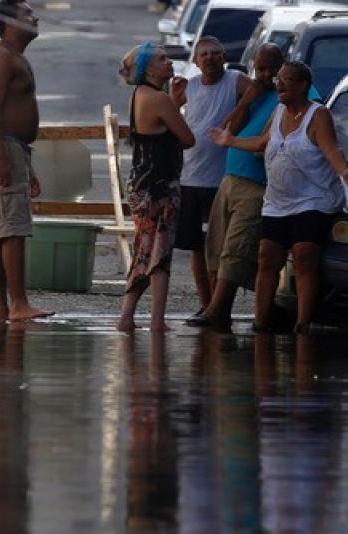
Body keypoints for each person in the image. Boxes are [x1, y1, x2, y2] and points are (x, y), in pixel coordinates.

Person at [210, 61, 348, 333]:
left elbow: (331, 148)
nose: (278, 84)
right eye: (278, 79)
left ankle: (302, 323)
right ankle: (261, 322)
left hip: (313, 200)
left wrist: (344, 172)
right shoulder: (279, 111)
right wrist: (230, 141)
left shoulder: (318, 115)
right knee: (267, 256)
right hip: (278, 201)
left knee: (304, 255)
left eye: (286, 79)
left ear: (303, 85)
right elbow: (263, 142)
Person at [186, 43, 288, 330]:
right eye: (260, 69)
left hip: (257, 183)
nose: (266, 75)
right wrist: (246, 101)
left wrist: (232, 141)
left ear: (283, 67)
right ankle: (215, 307)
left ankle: (217, 311)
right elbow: (228, 127)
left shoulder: (288, 95)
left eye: (272, 69)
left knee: (236, 248)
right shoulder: (257, 93)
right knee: (215, 247)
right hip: (230, 177)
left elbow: (265, 143)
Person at [0, 0, 52, 322]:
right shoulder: (0, 57)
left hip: (10, 147)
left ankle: (0, 307)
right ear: (9, 22)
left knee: (0, 230)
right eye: (27, 13)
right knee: (11, 230)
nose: (35, 17)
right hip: (0, 147)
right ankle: (17, 304)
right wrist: (2, 158)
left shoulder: (14, 56)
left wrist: (25, 165)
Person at [172, 36, 257, 319]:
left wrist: (237, 115)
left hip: (221, 182)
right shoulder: (190, 86)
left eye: (214, 53)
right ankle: (205, 304)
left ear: (224, 57)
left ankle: (219, 308)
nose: (209, 58)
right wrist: (173, 97)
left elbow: (258, 90)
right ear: (196, 61)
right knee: (196, 248)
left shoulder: (236, 80)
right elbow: (170, 115)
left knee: (219, 247)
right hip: (190, 178)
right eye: (203, 54)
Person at [117, 42, 195, 332]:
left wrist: (173, 102)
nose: (169, 62)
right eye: (162, 59)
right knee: (159, 255)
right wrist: (177, 104)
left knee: (145, 251)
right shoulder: (159, 99)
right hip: (159, 187)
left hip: (141, 183)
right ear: (148, 69)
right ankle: (156, 320)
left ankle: (127, 316)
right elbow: (187, 139)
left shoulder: (141, 94)